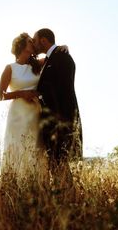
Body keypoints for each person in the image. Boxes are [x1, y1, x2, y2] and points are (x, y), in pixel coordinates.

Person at [33, 28, 83, 164]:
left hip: (61, 121)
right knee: (56, 166)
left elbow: (64, 90)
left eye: (35, 41)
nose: (33, 44)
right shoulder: (50, 58)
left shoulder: (62, 56)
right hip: (51, 123)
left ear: (43, 41)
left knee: (61, 165)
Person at [0, 33, 45, 172]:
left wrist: (63, 47)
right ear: (22, 46)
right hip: (17, 114)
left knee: (36, 147)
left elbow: (54, 54)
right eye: (30, 41)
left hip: (35, 112)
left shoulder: (38, 64)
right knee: (17, 145)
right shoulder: (10, 68)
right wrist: (21, 94)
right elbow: (1, 95)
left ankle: (37, 187)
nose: (34, 44)